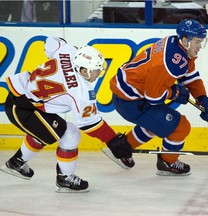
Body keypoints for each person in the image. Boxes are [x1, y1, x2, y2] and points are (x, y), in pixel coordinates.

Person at [0, 37, 132, 192]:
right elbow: (90, 124)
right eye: (97, 70)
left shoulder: (68, 51)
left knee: (47, 131)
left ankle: (16, 163)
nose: (100, 73)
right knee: (70, 134)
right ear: (84, 71)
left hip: (21, 98)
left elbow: (51, 42)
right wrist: (113, 141)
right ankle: (65, 178)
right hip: (22, 109)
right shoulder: (81, 92)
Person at [109, 19, 208, 176]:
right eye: (197, 42)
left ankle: (122, 149)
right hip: (131, 101)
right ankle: (168, 161)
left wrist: (203, 99)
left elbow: (190, 76)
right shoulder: (169, 61)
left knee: (156, 123)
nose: (200, 46)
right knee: (181, 127)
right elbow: (153, 97)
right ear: (186, 40)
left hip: (128, 96)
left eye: (202, 42)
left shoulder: (176, 44)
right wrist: (174, 93)